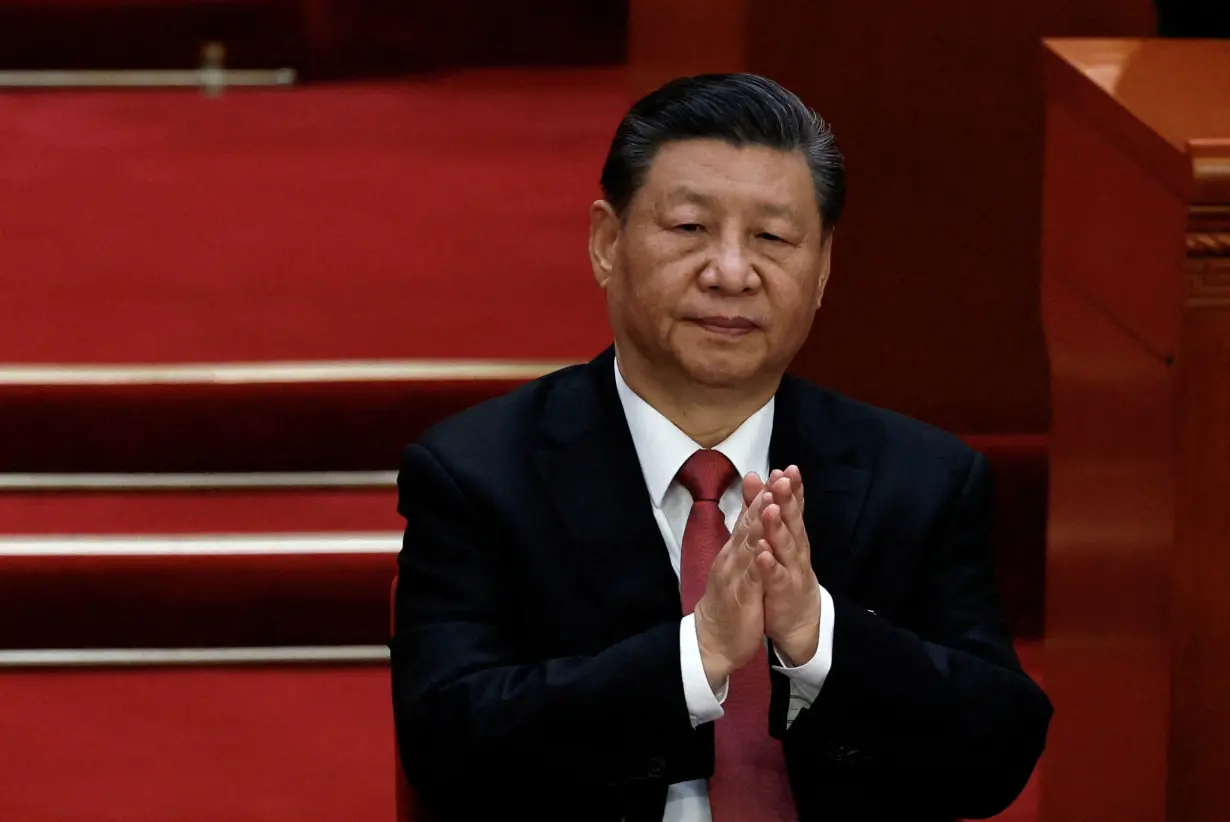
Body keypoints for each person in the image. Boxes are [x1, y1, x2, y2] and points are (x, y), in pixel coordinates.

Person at [390, 73, 1052, 822]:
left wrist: (819, 640)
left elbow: (997, 753)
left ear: (824, 267)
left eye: (771, 238)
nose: (731, 273)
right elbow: (447, 746)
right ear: (607, 244)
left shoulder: (923, 477)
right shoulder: (478, 473)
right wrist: (696, 657)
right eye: (689, 229)